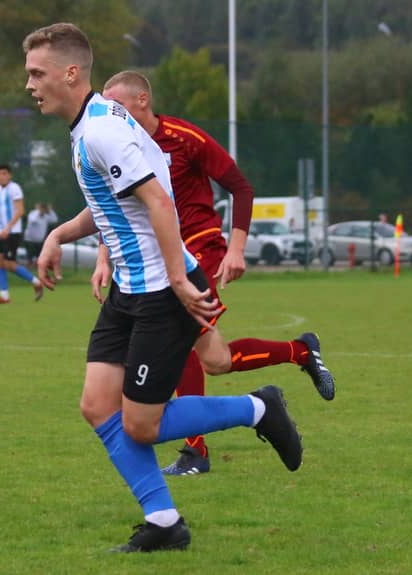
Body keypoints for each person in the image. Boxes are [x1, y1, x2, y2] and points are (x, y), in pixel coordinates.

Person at [25, 22, 303, 553]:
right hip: (131, 290)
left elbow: (157, 200)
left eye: (38, 73)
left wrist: (177, 277)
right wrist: (58, 235)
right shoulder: (93, 125)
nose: (30, 85)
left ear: (71, 72)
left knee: (141, 424)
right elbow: (114, 203)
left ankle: (259, 408)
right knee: (98, 406)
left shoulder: (102, 130)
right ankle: (164, 522)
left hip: (160, 290)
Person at [102, 70, 335, 476]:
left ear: (142, 101)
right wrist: (104, 257)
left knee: (181, 341)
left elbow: (240, 187)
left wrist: (236, 249)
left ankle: (196, 452)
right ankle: (300, 351)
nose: (111, 115)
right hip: (159, 260)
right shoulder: (120, 148)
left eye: (117, 106)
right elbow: (116, 209)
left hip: (199, 249)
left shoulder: (184, 138)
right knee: (216, 360)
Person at [0, 165, 43, 302]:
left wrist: (8, 229)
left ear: (10, 175)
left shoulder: (14, 188)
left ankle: (37, 282)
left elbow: (20, 211)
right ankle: (4, 296)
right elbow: (1, 212)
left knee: (8, 264)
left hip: (12, 232)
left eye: (4, 173)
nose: (1, 176)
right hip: (1, 231)